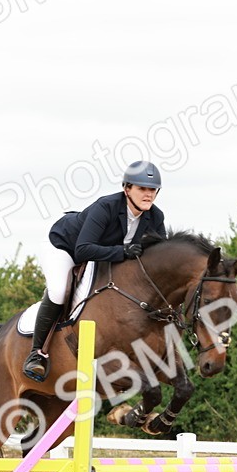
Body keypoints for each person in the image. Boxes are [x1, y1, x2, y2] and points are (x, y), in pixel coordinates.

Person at [22, 161, 166, 381]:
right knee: (59, 291)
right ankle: (37, 354)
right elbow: (83, 250)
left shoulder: (155, 217)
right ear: (127, 189)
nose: (148, 194)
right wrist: (123, 251)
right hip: (65, 247)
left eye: (152, 190)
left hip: (103, 255)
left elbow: (157, 258)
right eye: (142, 188)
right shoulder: (106, 207)